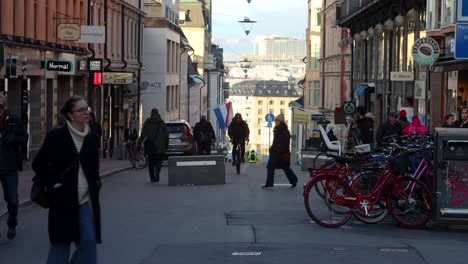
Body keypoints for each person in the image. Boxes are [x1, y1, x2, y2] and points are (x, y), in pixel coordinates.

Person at [32, 95, 101, 263]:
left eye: (87, 109)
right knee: (60, 246)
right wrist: (53, 183)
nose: (86, 112)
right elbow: (38, 164)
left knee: (89, 243)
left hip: (83, 201)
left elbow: (92, 166)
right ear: (70, 115)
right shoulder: (56, 136)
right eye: (81, 110)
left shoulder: (91, 138)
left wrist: (96, 181)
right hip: (62, 199)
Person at [0, 94, 28, 240]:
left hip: (9, 167)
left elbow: (25, 137)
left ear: (5, 106)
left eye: (1, 106)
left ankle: (12, 223)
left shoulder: (14, 120)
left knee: (12, 200)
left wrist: (14, 140)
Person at [262, 114, 298, 189]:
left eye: (276, 120)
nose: (275, 122)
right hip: (282, 153)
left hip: (278, 153)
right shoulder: (282, 129)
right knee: (285, 167)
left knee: (271, 167)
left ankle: (269, 184)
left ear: (280, 121)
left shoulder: (280, 130)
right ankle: (294, 180)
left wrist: (273, 150)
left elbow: (279, 142)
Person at [137, 108, 169, 182]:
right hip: (160, 147)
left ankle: (152, 177)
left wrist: (138, 144)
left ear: (151, 114)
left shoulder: (147, 122)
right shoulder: (162, 123)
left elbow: (142, 135)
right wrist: (166, 145)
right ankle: (157, 172)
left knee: (150, 163)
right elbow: (166, 135)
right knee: (159, 161)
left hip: (151, 146)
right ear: (158, 114)